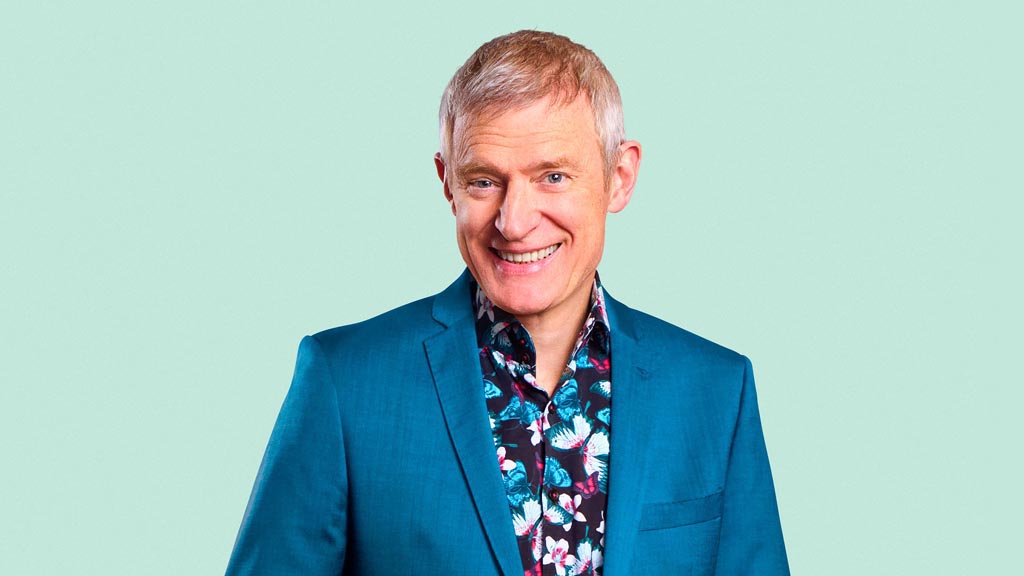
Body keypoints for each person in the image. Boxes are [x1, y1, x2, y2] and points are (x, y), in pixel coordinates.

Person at [226, 30, 788, 576]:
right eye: (483, 181)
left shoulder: (716, 392)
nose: (514, 222)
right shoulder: (344, 383)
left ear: (619, 177)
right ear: (447, 183)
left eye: (553, 176)